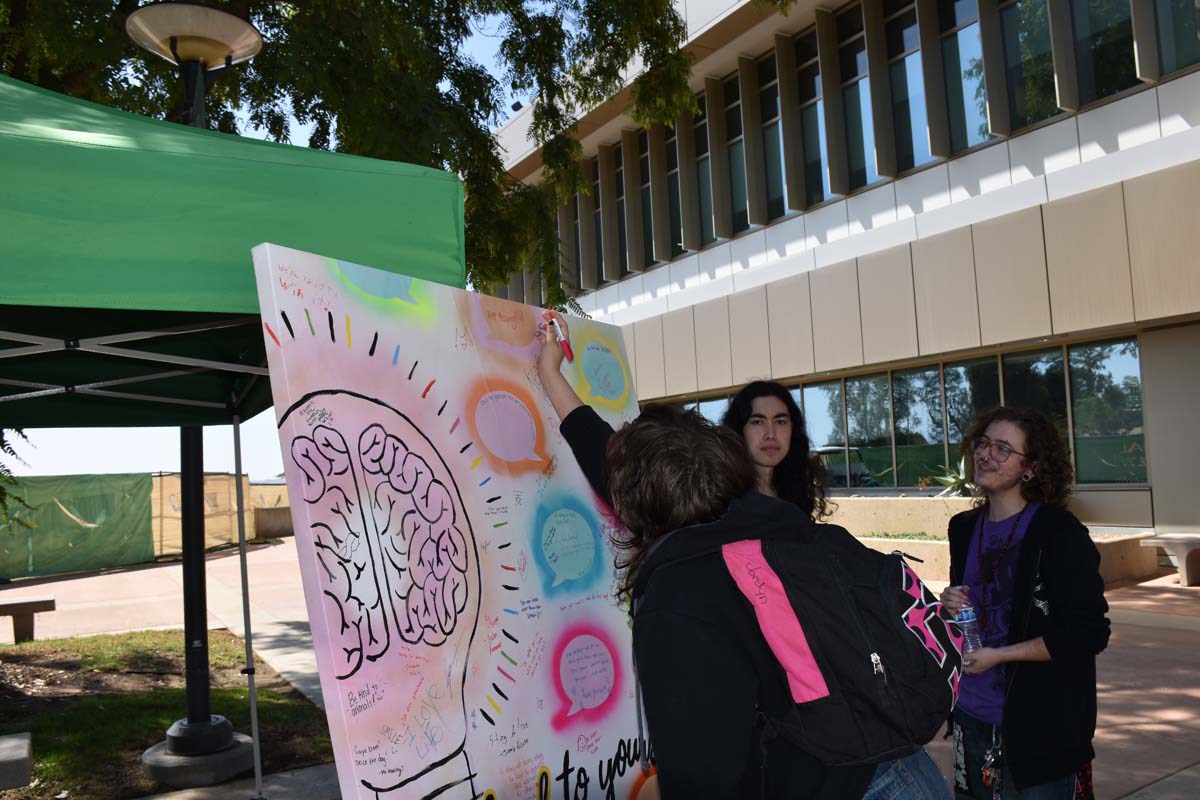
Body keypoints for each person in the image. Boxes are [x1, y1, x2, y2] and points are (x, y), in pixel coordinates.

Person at [534, 312, 876, 799]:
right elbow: (601, 449)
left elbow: (706, 777)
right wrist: (550, 374)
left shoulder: (681, 598)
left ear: (635, 496)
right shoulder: (763, 517)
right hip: (881, 759)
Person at [722, 381, 952, 800]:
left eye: (781, 421)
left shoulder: (798, 502)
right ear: (738, 431)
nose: (771, 433)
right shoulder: (723, 508)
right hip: (788, 702)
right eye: (757, 422)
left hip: (843, 688)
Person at [939, 407, 1109, 800]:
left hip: (1041, 729)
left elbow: (1088, 632)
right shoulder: (963, 528)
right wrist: (950, 603)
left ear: (1031, 468)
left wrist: (1001, 656)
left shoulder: (1058, 532)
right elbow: (971, 609)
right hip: (970, 716)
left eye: (1003, 449)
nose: (986, 454)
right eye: (983, 443)